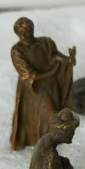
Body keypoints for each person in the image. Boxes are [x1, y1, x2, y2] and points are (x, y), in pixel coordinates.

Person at [9, 17, 76, 150]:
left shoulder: (45, 42)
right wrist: (50, 72)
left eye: (28, 30)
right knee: (46, 113)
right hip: (34, 89)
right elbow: (28, 74)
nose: (25, 35)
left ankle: (53, 138)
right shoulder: (17, 51)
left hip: (51, 85)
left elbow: (55, 56)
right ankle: (44, 141)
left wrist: (68, 60)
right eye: (22, 33)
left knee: (55, 109)